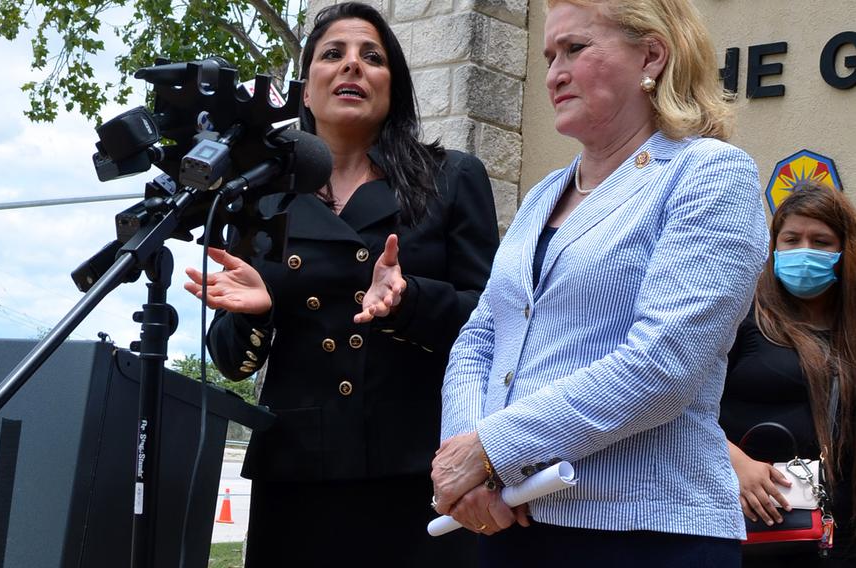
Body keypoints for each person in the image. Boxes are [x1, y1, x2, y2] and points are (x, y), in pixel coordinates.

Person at [431, 0, 769, 565]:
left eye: (575, 49)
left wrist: (494, 447)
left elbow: (663, 365)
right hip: (511, 520)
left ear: (652, 55)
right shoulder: (543, 194)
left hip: (646, 532)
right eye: (548, 56)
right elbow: (483, 335)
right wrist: (468, 465)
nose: (554, 74)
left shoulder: (709, 173)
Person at [184, 2, 498, 565]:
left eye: (371, 57)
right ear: (306, 90)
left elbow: (492, 322)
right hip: (299, 471)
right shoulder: (259, 194)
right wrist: (257, 312)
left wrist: (408, 301)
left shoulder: (451, 177)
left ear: (392, 87)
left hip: (421, 469)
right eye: (333, 54)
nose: (352, 65)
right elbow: (232, 363)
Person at [720, 180, 855, 566]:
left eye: (821, 241)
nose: (804, 252)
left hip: (838, 533)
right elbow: (682, 403)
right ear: (774, 247)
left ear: (844, 250)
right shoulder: (745, 316)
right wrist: (738, 463)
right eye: (791, 239)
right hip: (759, 518)